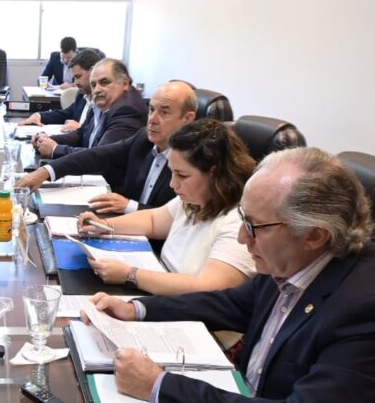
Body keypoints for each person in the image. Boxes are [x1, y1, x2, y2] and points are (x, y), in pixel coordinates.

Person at [92, 147, 375, 403]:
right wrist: (138, 309)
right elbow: (230, 304)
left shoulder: (371, 311)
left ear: (315, 234)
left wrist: (159, 385)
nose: (241, 237)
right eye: (242, 219)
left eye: (255, 226)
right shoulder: (294, 260)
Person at [77, 119, 256, 295]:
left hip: (189, 308)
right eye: (172, 173)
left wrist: (130, 275)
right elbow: (152, 221)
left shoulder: (238, 222)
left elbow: (209, 288)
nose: (173, 184)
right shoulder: (194, 200)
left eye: (182, 175)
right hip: (161, 291)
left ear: (214, 173)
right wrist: (104, 225)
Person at [17, 80, 198, 215]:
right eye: (151, 110)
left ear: (188, 119)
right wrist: (46, 171)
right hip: (124, 226)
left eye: (164, 112)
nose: (152, 119)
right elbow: (99, 155)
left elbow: (178, 219)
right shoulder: (144, 138)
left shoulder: (194, 163)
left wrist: (129, 206)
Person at [31, 58, 147, 159]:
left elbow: (102, 156)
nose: (97, 90)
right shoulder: (103, 102)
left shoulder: (127, 110)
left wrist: (55, 149)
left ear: (125, 83)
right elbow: (81, 134)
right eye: (94, 85)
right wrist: (47, 140)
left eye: (104, 82)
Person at [19, 48, 102, 130]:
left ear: (93, 72)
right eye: (74, 78)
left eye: (78, 77)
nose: (76, 83)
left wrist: (80, 128)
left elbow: (102, 132)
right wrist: (39, 116)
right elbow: (66, 114)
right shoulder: (82, 95)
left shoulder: (103, 101)